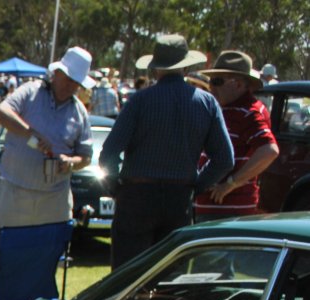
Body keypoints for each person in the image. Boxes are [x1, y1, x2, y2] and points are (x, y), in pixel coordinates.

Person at [100, 34, 233, 269]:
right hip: (178, 198)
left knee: (126, 275)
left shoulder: (139, 101)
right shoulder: (207, 103)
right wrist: (196, 185)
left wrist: (116, 188)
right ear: (186, 66)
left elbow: (109, 153)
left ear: (156, 68)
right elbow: (224, 159)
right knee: (168, 276)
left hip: (137, 195)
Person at [0, 47, 93, 257]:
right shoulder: (30, 92)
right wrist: (31, 133)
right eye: (68, 80)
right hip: (16, 191)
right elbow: (2, 113)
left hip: (54, 198)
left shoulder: (79, 112)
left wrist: (71, 162)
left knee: (43, 261)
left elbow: (86, 155)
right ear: (56, 74)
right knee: (6, 259)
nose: (71, 86)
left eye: (76, 83)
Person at [195, 51, 279, 221]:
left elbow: (269, 150)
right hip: (213, 207)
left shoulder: (248, 111)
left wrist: (231, 184)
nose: (211, 87)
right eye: (211, 81)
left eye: (217, 81)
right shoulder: (228, 108)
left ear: (238, 84)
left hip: (227, 210)